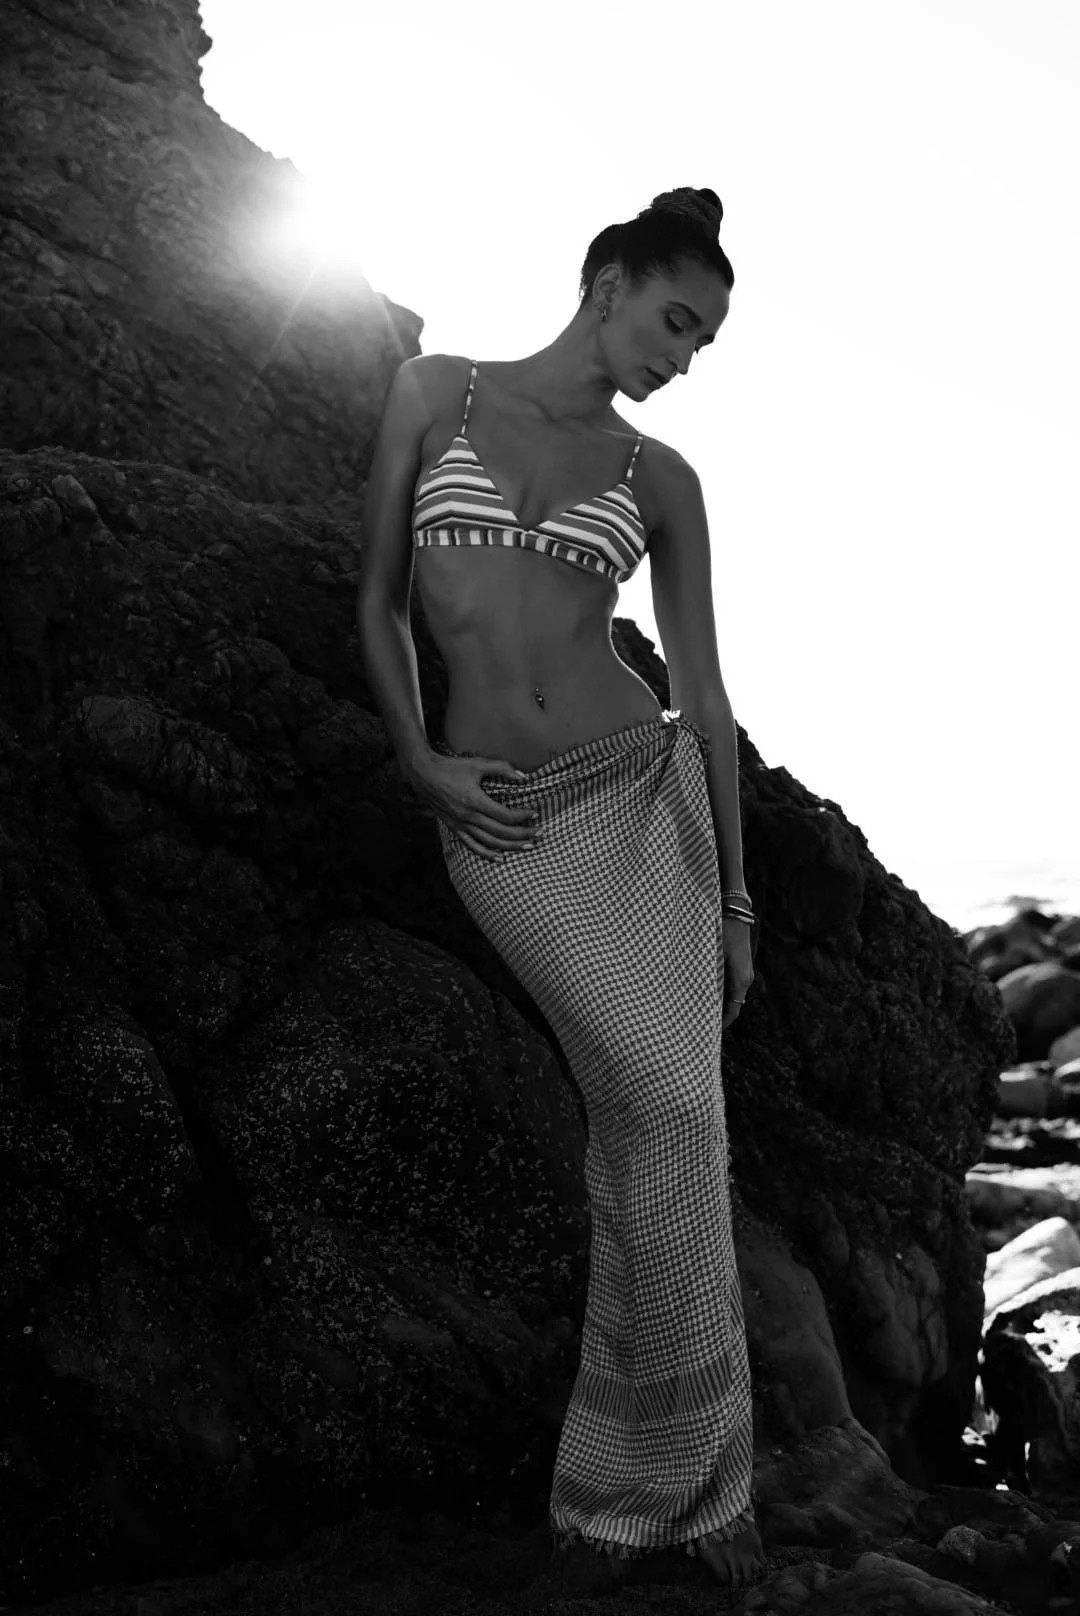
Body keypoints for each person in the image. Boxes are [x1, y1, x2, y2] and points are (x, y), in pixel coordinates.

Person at [356, 186, 764, 1588]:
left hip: (642, 802)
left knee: (667, 1122)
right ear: (608, 283)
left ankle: (668, 1494)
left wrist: (738, 903)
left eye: (703, 343)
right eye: (676, 321)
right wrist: (420, 760)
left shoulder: (663, 479)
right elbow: (378, 597)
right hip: (507, 824)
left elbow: (703, 696)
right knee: (656, 1105)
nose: (683, 358)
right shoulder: (438, 392)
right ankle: (644, 1488)